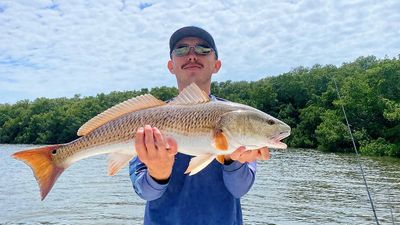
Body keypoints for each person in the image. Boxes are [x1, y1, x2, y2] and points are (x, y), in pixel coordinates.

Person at [129, 26, 270, 225]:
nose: (192, 55)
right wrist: (158, 173)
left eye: (203, 49)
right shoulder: (145, 120)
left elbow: (239, 190)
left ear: (216, 65)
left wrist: (233, 161)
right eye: (181, 50)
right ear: (171, 65)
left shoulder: (238, 119)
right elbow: (145, 192)